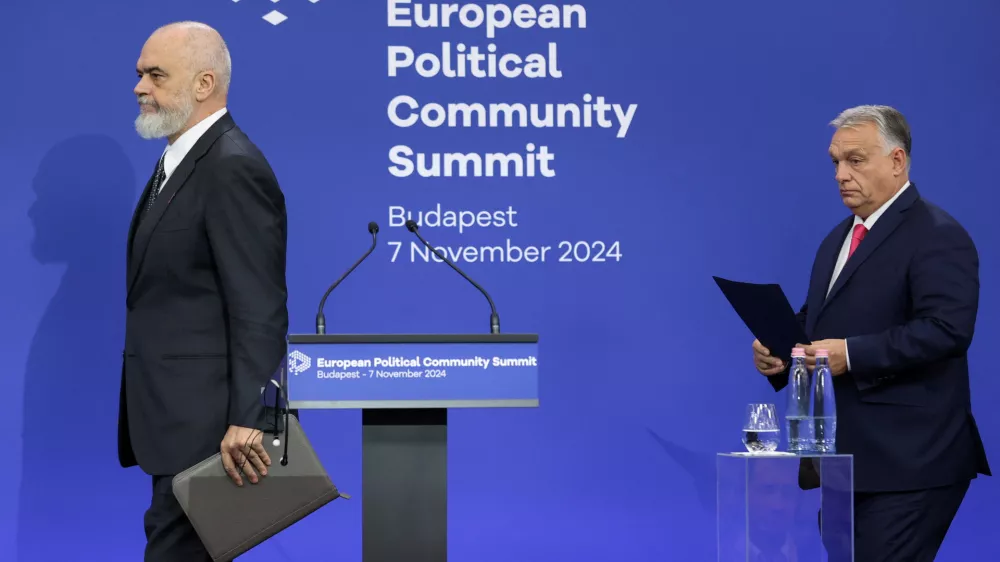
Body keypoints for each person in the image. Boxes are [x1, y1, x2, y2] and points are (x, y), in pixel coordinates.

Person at [752, 105, 990, 560]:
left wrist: (851, 355)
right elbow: (817, 326)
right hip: (844, 463)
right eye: (835, 162)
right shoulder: (838, 239)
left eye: (855, 160)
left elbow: (947, 330)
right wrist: (780, 355)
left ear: (897, 161)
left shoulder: (938, 235)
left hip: (910, 463)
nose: (841, 174)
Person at [119, 21, 289, 561]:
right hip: (177, 421)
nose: (139, 87)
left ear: (203, 84)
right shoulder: (180, 161)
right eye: (140, 74)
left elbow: (259, 304)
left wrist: (252, 417)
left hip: (211, 431)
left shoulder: (230, 166)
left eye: (155, 75)